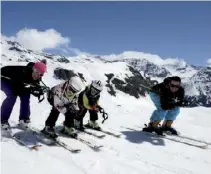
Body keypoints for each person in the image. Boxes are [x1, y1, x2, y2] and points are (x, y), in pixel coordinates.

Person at [1, 61, 47, 131]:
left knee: (25, 96)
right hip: (4, 79)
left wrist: (37, 91)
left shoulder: (37, 77)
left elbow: (32, 86)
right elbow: (17, 87)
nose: (38, 75)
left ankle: (24, 119)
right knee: (12, 96)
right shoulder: (22, 72)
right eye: (37, 72)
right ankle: (2, 120)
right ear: (33, 69)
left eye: (41, 74)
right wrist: (29, 90)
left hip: (17, 83)